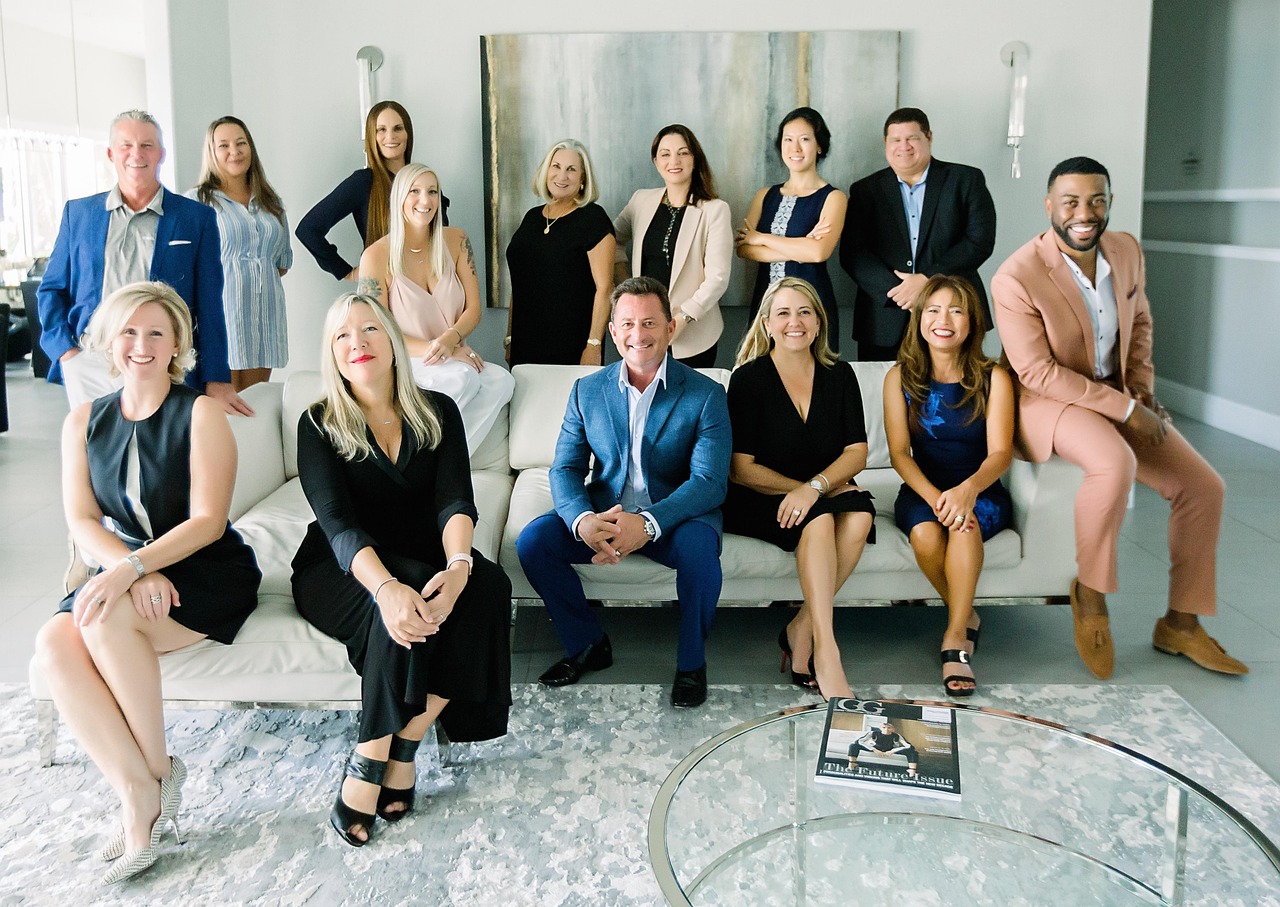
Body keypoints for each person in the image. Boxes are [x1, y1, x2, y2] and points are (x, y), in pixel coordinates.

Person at [33, 282, 261, 883]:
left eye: (157, 332)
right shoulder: (83, 421)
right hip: (125, 563)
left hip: (204, 568)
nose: (142, 344)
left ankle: (153, 783)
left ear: (177, 343)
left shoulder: (201, 412)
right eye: (129, 332)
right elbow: (82, 520)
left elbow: (209, 521)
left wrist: (137, 570)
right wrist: (125, 568)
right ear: (110, 341)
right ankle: (139, 788)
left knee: (103, 619)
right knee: (53, 643)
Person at [992, 156, 1246, 679]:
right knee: (1114, 462)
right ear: (1049, 206)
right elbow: (1037, 372)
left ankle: (1181, 623)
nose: (1084, 213)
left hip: (1116, 391)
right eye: (1071, 202)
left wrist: (1142, 394)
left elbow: (1141, 322)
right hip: (1049, 402)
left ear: (1109, 202)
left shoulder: (1126, 250)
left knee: (1204, 487)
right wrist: (1126, 411)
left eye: (1097, 200)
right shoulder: (1016, 276)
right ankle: (1090, 593)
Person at [291, 293, 512, 847]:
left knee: (489, 586)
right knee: (402, 597)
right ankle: (370, 756)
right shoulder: (317, 423)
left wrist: (459, 567)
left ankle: (408, 741)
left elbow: (454, 499)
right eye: (342, 335)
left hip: (423, 554)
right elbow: (338, 524)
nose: (357, 343)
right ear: (332, 353)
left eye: (369, 329)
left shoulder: (439, 410)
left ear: (392, 341)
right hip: (342, 566)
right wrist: (385, 587)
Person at [516, 276, 731, 708]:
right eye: (628, 324)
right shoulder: (587, 390)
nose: (638, 334)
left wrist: (647, 524)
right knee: (533, 542)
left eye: (650, 323)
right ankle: (587, 643)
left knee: (700, 554)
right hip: (607, 514)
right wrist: (583, 520)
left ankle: (691, 663)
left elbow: (709, 482)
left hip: (674, 518)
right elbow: (566, 468)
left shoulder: (706, 394)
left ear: (670, 328)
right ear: (613, 332)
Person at [36, 109, 250, 416]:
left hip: (161, 361)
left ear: (161, 153)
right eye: (126, 145)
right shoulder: (78, 214)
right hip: (91, 360)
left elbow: (210, 306)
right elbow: (51, 290)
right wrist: (66, 353)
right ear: (111, 153)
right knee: (94, 444)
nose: (136, 154)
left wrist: (217, 378)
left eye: (147, 145)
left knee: (161, 445)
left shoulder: (196, 218)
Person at [725, 277, 875, 700]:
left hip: (816, 490)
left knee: (860, 515)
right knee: (822, 520)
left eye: (805, 312)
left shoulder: (840, 375)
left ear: (819, 321)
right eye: (784, 313)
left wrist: (816, 487)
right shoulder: (748, 379)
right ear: (767, 324)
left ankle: (801, 627)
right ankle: (826, 652)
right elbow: (741, 469)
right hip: (758, 496)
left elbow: (857, 452)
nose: (795, 321)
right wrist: (809, 491)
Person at [883, 275, 1013, 696]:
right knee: (925, 534)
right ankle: (967, 613)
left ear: (972, 322)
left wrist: (967, 491)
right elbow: (900, 453)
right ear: (919, 318)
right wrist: (937, 497)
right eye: (934, 310)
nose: (944, 320)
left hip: (980, 489)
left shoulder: (994, 378)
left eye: (956, 311)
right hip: (923, 489)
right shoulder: (899, 377)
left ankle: (956, 637)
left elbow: (1001, 454)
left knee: (964, 525)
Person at [356, 163, 514, 453]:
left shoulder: (456, 240)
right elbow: (377, 331)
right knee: (463, 378)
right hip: (408, 360)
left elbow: (474, 310)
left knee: (501, 380)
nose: (425, 200)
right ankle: (424, 457)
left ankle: (444, 459)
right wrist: (439, 349)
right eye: (414, 191)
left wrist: (450, 341)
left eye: (432, 192)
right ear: (399, 198)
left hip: (452, 353)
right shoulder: (375, 256)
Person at [841, 107, 997, 361]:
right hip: (885, 317)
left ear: (929, 138)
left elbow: (979, 241)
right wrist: (902, 292)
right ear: (886, 143)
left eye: (912, 138)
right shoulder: (865, 190)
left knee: (961, 383)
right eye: (896, 139)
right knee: (883, 386)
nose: (904, 146)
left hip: (953, 313)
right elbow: (853, 254)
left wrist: (927, 280)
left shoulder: (965, 179)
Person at [188, 115, 293, 392]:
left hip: (264, 316)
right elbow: (188, 266)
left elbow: (281, 263)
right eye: (223, 145)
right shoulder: (197, 202)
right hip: (222, 317)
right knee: (226, 405)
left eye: (241, 143)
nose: (234, 151)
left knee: (255, 403)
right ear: (211, 152)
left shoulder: (272, 203)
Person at [613, 124, 732, 367]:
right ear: (656, 161)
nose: (674, 161)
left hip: (693, 334)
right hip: (642, 331)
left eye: (683, 153)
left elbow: (717, 278)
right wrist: (626, 284)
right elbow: (610, 240)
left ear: (695, 158)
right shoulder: (641, 200)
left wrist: (683, 318)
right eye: (665, 154)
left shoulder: (715, 210)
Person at [295, 100, 450, 281]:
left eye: (398, 128)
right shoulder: (363, 182)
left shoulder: (425, 181)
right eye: (381, 130)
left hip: (429, 287)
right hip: (383, 289)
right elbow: (308, 229)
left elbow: (443, 239)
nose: (390, 136)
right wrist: (348, 272)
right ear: (371, 136)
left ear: (408, 134)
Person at [736, 107, 846, 350]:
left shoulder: (833, 197)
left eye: (804, 139)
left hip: (812, 307)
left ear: (819, 145)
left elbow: (818, 253)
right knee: (762, 369)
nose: (795, 148)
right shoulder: (765, 195)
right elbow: (743, 248)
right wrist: (802, 246)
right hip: (764, 306)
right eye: (788, 140)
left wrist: (761, 238)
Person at [505, 138, 615, 366]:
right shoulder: (531, 218)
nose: (562, 176)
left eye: (571, 169)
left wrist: (593, 345)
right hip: (525, 342)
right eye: (556, 166)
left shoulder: (593, 219)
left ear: (583, 178)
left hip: (573, 344)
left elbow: (605, 288)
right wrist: (510, 337)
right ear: (546, 171)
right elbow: (520, 283)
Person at [847, 722, 918, 777]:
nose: (886, 729)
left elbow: (909, 746)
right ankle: (852, 764)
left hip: (889, 750)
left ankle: (912, 771)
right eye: (884, 727)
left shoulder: (897, 736)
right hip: (876, 748)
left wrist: (892, 751)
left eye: (889, 728)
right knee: (853, 746)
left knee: (913, 752)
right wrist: (873, 749)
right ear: (880, 728)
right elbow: (859, 741)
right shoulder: (873, 733)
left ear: (893, 729)